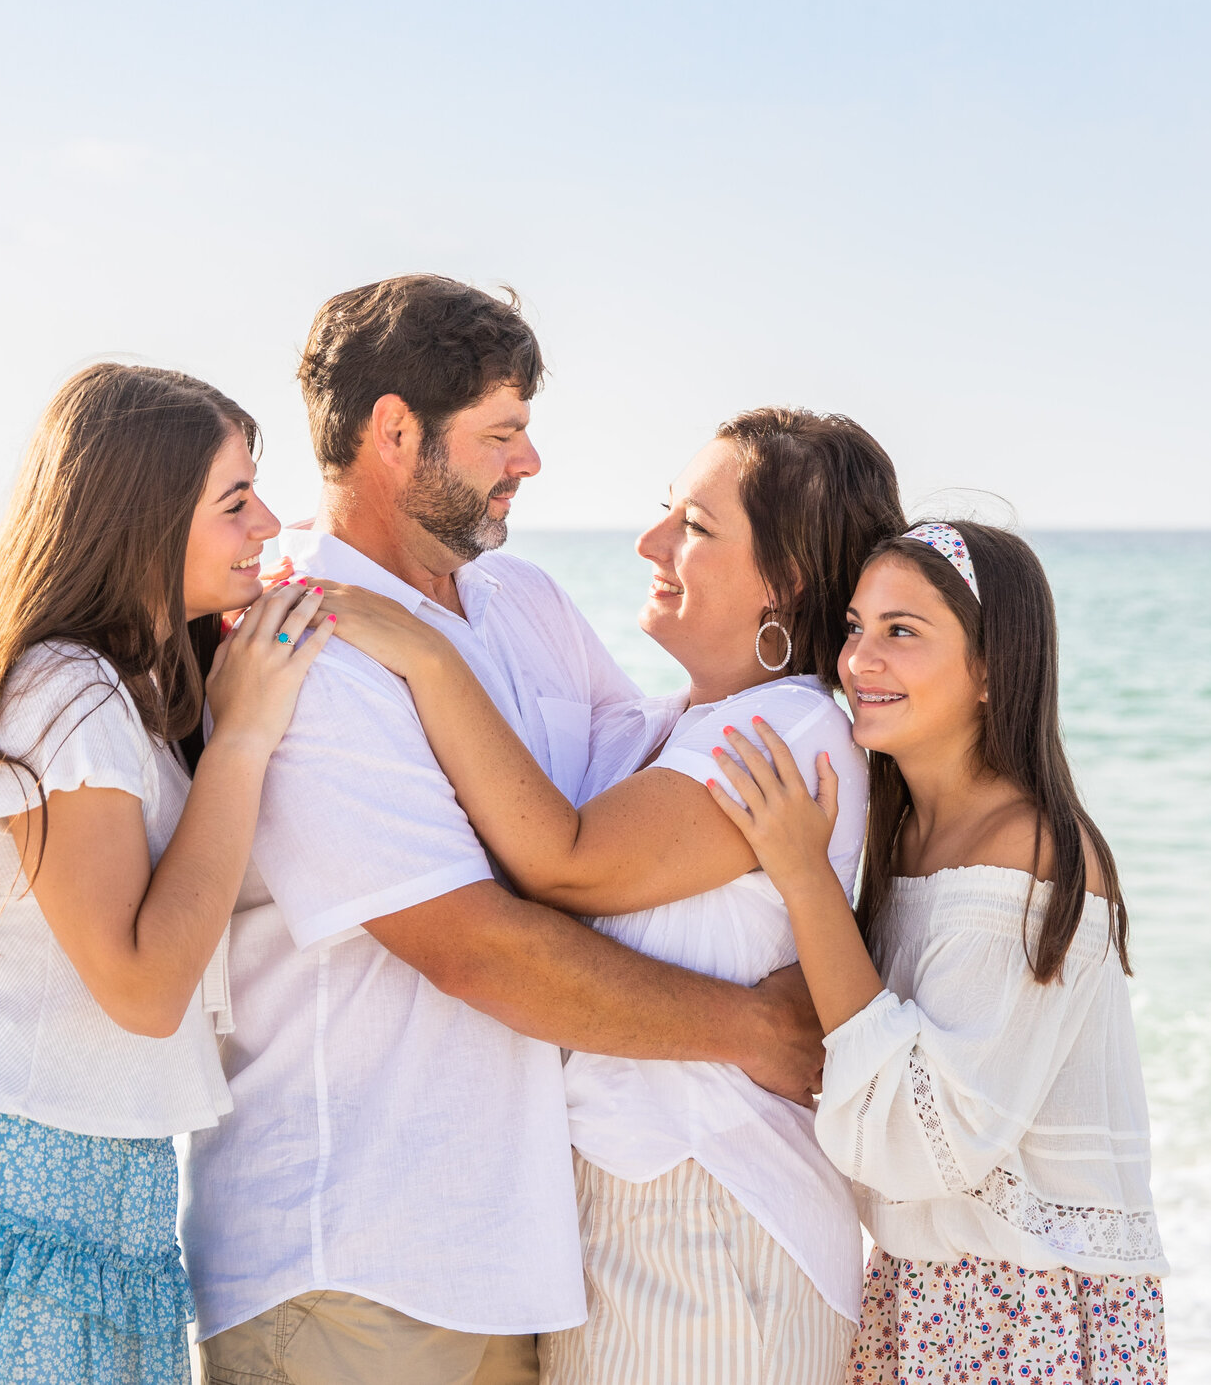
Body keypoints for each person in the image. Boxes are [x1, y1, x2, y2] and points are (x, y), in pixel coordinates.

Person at [183, 277, 829, 1385]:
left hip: (513, 1261)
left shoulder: (522, 599)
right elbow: (470, 942)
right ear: (395, 433)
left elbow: (640, 796)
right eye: (502, 431)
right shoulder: (307, 644)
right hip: (353, 1262)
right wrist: (749, 1027)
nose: (527, 461)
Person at [314, 407, 903, 1383]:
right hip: (652, 1219)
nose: (650, 543)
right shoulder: (680, 723)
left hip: (712, 1224)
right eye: (663, 513)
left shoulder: (785, 732)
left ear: (786, 579)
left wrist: (422, 651)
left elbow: (566, 857)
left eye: (695, 527)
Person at [0, 363, 339, 1385]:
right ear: (142, 517)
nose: (268, 517)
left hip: (99, 1180)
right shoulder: (65, 689)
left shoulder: (128, 687)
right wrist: (245, 736)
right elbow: (141, 987)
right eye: (234, 500)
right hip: (19, 1175)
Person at [705, 521, 1170, 1384]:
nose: (858, 660)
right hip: (920, 1293)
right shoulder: (902, 833)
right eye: (854, 626)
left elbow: (925, 1144)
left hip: (1024, 1310)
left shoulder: (1029, 855)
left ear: (991, 668)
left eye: (902, 631)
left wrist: (804, 875)